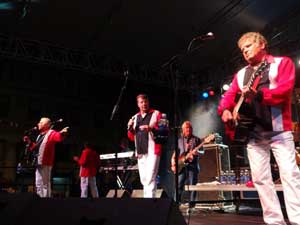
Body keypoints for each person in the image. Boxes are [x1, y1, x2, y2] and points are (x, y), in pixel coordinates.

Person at [218, 32, 300, 225]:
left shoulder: (282, 63)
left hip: (279, 130)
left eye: (248, 46)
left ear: (262, 44)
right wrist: (224, 111)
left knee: (290, 175)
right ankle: (274, 222)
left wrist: (260, 95)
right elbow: (228, 96)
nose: (245, 51)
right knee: (261, 179)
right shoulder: (241, 74)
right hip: (253, 133)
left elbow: (285, 90)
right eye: (242, 50)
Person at [127, 94, 163, 198]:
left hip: (153, 150)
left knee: (151, 176)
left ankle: (149, 201)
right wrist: (129, 127)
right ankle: (148, 200)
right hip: (140, 151)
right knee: (144, 178)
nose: (144, 104)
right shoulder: (135, 117)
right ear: (138, 104)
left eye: (145, 102)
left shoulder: (156, 114)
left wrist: (151, 129)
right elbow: (131, 137)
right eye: (141, 102)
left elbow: (164, 131)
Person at [23, 117, 69, 198]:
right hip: (38, 161)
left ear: (46, 125)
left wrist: (62, 133)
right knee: (38, 182)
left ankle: (46, 201)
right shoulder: (40, 135)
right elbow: (35, 147)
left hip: (46, 162)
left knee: (45, 183)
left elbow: (58, 137)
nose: (38, 124)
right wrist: (29, 142)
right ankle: (39, 198)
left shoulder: (51, 133)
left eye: (40, 122)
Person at [170, 121, 201, 207]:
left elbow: (202, 151)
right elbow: (174, 154)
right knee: (179, 185)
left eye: (190, 127)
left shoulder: (197, 139)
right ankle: (175, 204)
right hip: (181, 165)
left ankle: (192, 205)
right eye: (187, 128)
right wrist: (173, 164)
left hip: (192, 166)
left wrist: (197, 152)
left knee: (193, 186)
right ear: (183, 130)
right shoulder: (179, 140)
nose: (189, 129)